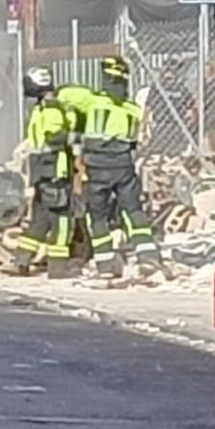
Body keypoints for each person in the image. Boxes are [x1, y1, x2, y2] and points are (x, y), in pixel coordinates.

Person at [60, 56, 164, 280]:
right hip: (123, 165)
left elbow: (64, 95)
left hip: (96, 167)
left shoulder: (90, 101)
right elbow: (140, 140)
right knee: (133, 211)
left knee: (97, 216)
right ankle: (148, 257)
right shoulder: (133, 110)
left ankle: (105, 263)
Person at [13, 66, 75, 278]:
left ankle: (22, 260)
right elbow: (55, 137)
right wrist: (75, 135)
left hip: (40, 172)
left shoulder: (39, 108)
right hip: (55, 170)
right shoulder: (52, 109)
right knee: (62, 219)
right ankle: (58, 267)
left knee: (40, 218)